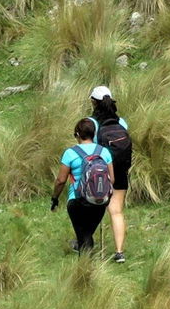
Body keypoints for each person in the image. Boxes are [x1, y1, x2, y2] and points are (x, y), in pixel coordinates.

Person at [51, 118, 113, 253]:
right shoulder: (104, 152)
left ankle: (85, 270)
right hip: (100, 201)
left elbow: (61, 180)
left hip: (77, 201)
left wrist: (55, 198)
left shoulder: (70, 153)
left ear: (78, 134)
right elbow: (112, 180)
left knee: (83, 237)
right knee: (87, 235)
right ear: (93, 134)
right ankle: (87, 266)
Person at [89, 86, 130, 263]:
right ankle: (119, 252)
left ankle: (84, 242)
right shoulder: (122, 123)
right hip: (121, 172)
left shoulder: (91, 123)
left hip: (99, 172)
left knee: (92, 209)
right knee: (116, 211)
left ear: (93, 102)